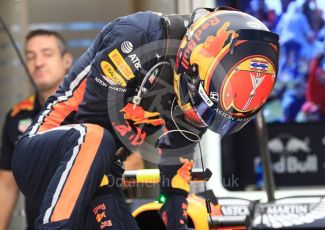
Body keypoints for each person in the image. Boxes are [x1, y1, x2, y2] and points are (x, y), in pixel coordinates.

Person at [12, 7, 279, 230]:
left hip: (98, 172)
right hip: (43, 156)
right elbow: (92, 122)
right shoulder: (135, 36)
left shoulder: (196, 88)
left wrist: (175, 215)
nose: (199, 113)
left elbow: (177, 160)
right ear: (191, 64)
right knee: (95, 137)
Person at [0, 29, 73, 230]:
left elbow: (130, 162)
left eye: (47, 54)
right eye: (30, 56)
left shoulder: (91, 107)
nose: (38, 62)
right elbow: (7, 185)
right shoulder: (17, 117)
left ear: (67, 60)